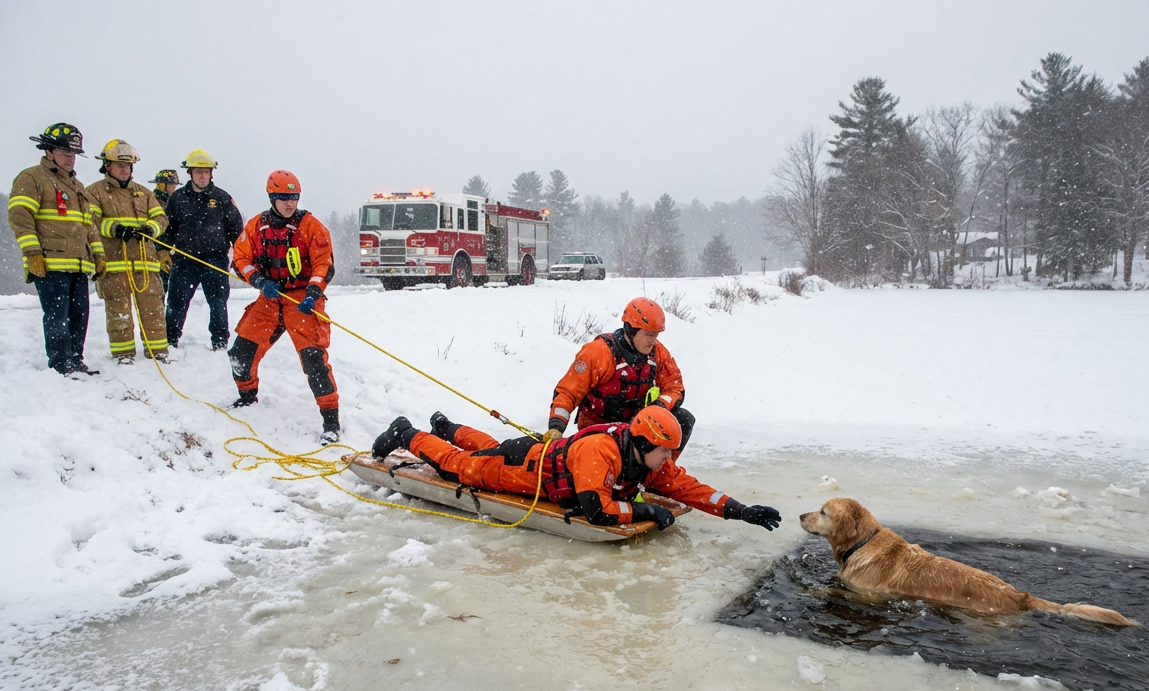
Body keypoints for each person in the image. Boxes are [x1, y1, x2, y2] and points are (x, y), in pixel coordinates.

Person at [371, 405, 780, 532]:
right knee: (460, 467)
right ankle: (406, 433)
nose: (670, 462)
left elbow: (689, 488)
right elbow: (596, 510)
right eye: (666, 453)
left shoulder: (646, 459)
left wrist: (739, 509)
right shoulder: (600, 452)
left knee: (489, 448)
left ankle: (448, 426)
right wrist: (645, 510)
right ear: (645, 444)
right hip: (521, 473)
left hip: (528, 456)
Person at [228, 170, 340, 443]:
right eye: (283, 198)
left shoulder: (311, 227)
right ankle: (247, 397)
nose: (289, 203)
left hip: (302, 300)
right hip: (269, 299)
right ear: (271, 197)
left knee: (315, 361)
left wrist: (313, 293)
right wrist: (258, 280)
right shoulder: (256, 226)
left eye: (294, 198)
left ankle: (331, 422)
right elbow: (241, 259)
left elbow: (324, 263)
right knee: (240, 354)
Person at [8, 122, 106, 377]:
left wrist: (98, 254)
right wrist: (32, 253)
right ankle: (61, 363)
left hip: (79, 263)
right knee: (57, 315)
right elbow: (21, 216)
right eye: (65, 153)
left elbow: (89, 225)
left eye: (73, 154)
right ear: (49, 151)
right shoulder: (32, 178)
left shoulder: (77, 186)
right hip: (51, 263)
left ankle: (76, 360)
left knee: (79, 315)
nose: (70, 159)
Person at [545, 297, 695, 458]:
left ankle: (662, 472)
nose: (653, 341)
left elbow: (675, 387)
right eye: (648, 335)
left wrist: (659, 407)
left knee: (683, 419)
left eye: (655, 335)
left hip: (634, 426)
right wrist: (556, 426)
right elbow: (568, 391)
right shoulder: (599, 352)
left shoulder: (657, 353)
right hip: (598, 428)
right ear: (631, 330)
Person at [85, 140, 170, 364]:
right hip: (114, 265)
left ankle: (158, 353)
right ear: (107, 166)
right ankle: (123, 355)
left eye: (129, 166)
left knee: (153, 311)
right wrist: (114, 229)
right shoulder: (93, 192)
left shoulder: (144, 193)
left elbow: (162, 218)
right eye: (119, 165)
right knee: (118, 313)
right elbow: (90, 221)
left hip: (146, 264)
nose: (125, 169)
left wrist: (149, 229)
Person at [161, 149, 243, 350]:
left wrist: (240, 257)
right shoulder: (177, 198)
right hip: (184, 260)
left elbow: (237, 231)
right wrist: (162, 250)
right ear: (190, 173)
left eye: (206, 171)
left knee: (218, 303)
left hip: (215, 260)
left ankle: (220, 342)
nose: (203, 175)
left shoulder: (223, 198)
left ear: (211, 173)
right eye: (198, 172)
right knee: (176, 303)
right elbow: (168, 229)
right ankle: (170, 341)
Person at [150, 169, 181, 295]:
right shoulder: (153, 202)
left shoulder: (174, 202)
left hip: (170, 250)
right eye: (172, 184)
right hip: (155, 251)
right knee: (159, 288)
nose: (174, 187)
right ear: (162, 185)